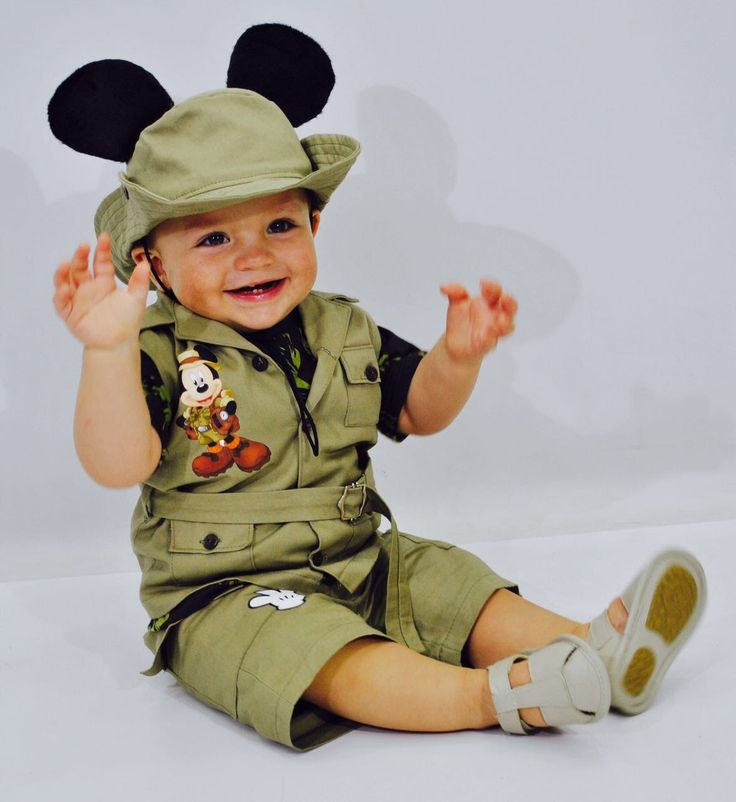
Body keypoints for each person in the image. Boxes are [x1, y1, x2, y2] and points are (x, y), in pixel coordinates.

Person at [49, 24, 706, 750]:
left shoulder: (344, 328)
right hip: (228, 596)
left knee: (452, 585)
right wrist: (106, 350)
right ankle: (498, 695)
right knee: (329, 656)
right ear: (154, 265)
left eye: (278, 224)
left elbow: (420, 411)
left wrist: (459, 356)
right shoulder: (156, 353)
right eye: (213, 238)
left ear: (315, 223)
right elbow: (117, 463)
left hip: (359, 555)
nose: (255, 254)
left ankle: (596, 650)